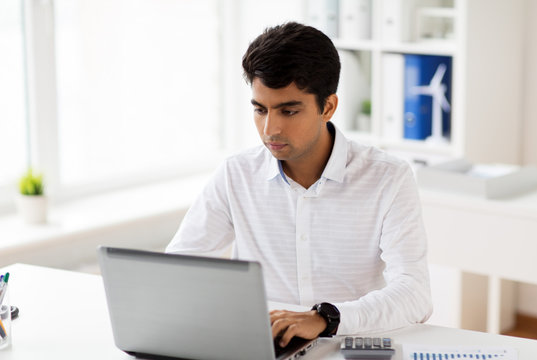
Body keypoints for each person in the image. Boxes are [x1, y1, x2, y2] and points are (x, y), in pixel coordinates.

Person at [166, 22, 432, 347]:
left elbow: (415, 294)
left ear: (328, 107)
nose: (270, 130)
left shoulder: (388, 177)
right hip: (264, 347)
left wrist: (324, 318)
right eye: (260, 110)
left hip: (349, 346)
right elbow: (179, 267)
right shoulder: (236, 174)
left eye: (288, 111)